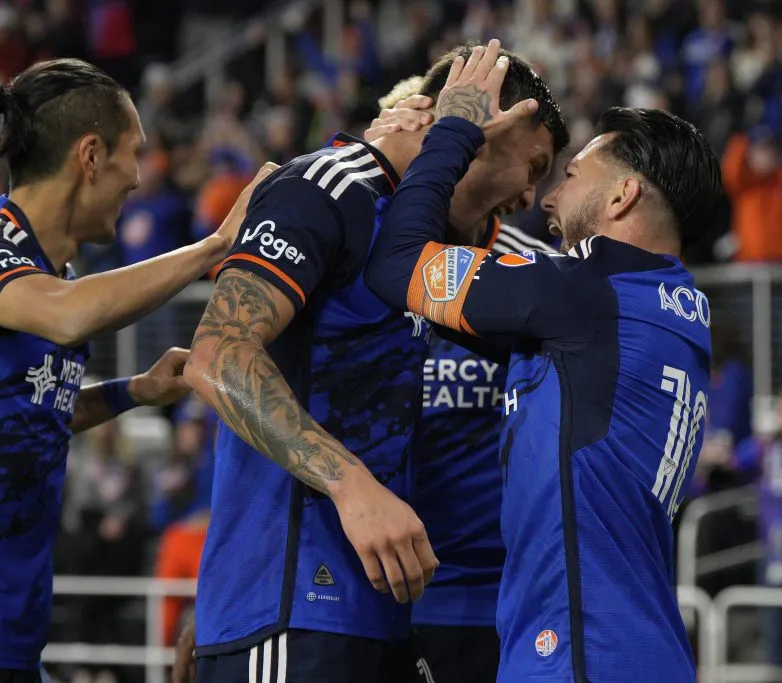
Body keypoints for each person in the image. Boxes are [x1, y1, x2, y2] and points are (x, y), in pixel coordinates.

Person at [0, 58, 270, 683]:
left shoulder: (55, 282)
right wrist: (213, 246)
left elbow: (31, 413)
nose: (138, 176)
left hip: (5, 637)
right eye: (134, 154)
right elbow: (72, 317)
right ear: (91, 155)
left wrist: (134, 391)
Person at [180, 44, 565, 683]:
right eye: (535, 165)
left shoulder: (421, 239)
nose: (530, 196)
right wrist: (351, 486)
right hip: (291, 603)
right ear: (481, 127)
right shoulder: (326, 186)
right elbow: (216, 355)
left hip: (377, 605)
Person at [365, 40, 722, 682]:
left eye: (574, 174)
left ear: (622, 198)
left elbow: (397, 267)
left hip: (579, 655)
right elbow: (479, 319)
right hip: (634, 649)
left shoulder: (582, 293)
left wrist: (451, 133)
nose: (548, 200)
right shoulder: (665, 307)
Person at [372, 74, 562, 683]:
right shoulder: (350, 249)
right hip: (367, 594)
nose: (534, 196)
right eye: (533, 167)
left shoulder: (539, 277)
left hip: (506, 606)